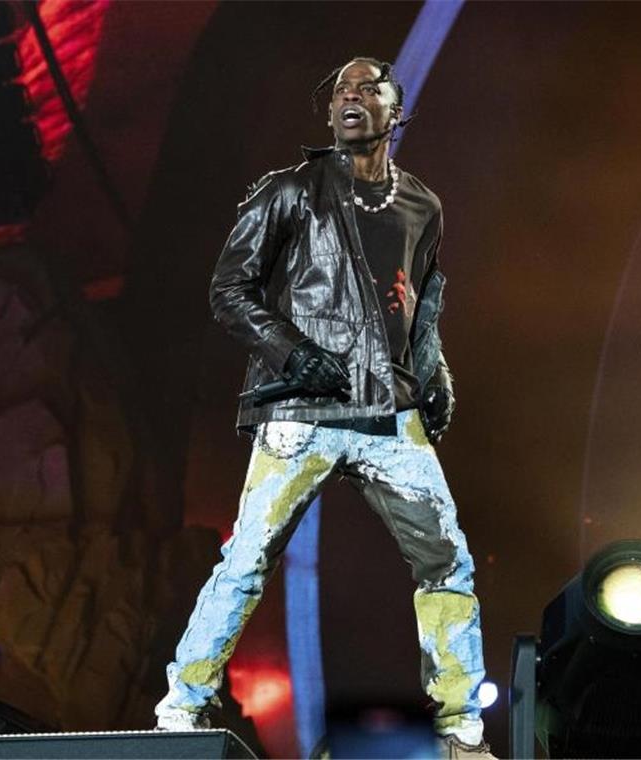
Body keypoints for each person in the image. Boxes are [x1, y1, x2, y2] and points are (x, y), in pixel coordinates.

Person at [154, 57, 492, 758]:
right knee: (246, 558)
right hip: (301, 411)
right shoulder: (289, 193)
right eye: (341, 89)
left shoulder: (421, 205)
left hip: (387, 414)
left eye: (368, 88)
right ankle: (181, 706)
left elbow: (421, 306)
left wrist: (436, 377)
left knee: (447, 560)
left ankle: (461, 727)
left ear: (396, 112)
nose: (351, 97)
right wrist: (290, 353)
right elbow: (230, 289)